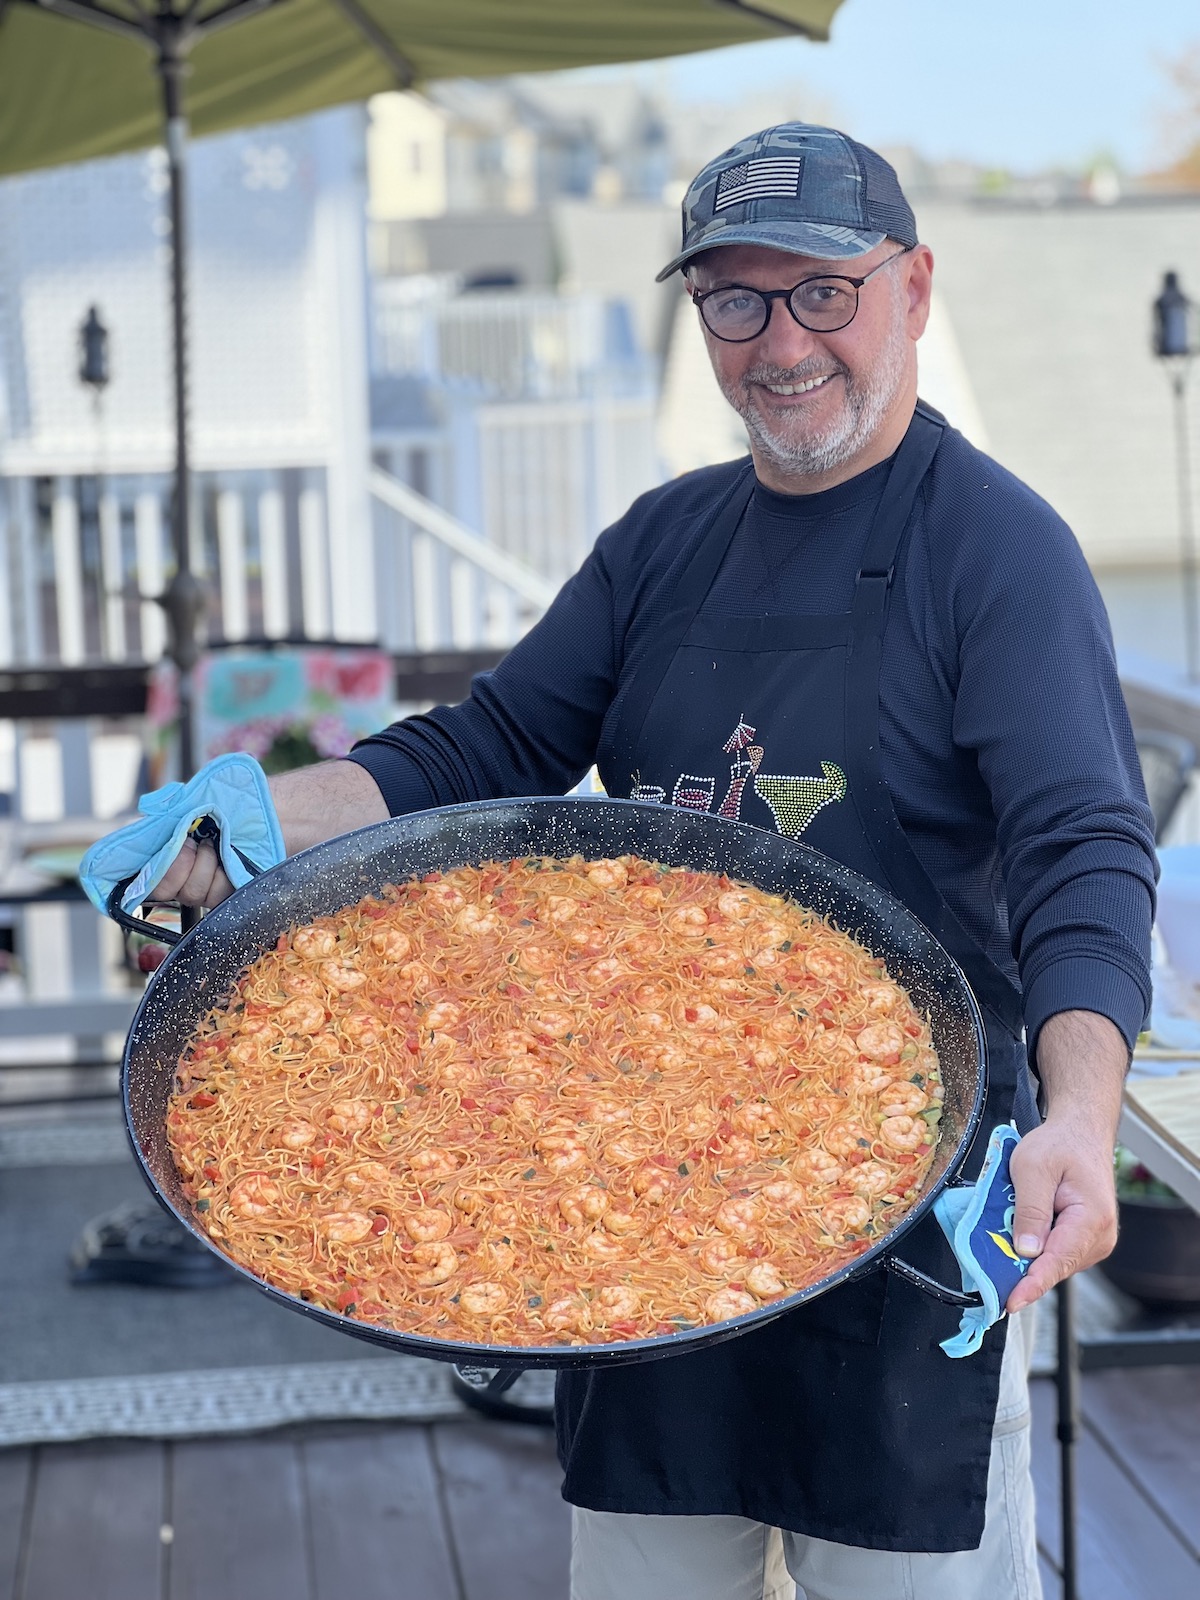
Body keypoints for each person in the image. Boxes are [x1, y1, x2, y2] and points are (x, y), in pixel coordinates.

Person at [149, 125, 1155, 1599]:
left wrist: (1079, 1114)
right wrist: (233, 821)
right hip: (625, 1194)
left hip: (913, 1206)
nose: (780, 343)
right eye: (734, 302)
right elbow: (481, 752)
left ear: (915, 286)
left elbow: (1084, 851)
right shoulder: (664, 541)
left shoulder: (1000, 550)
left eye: (822, 290)